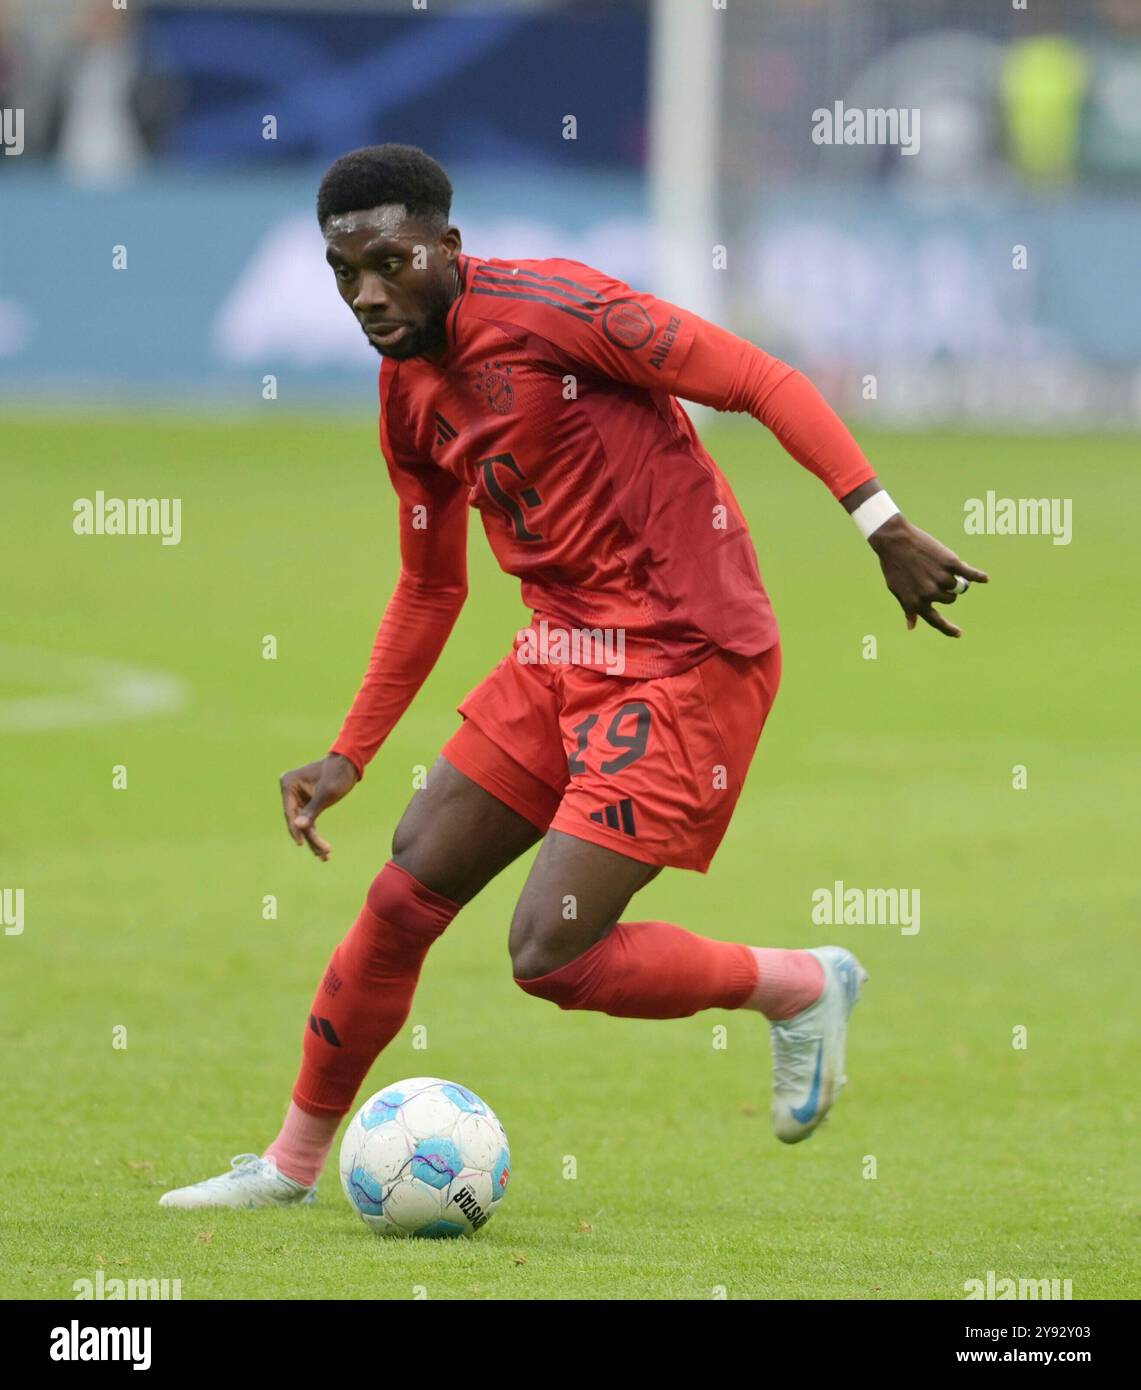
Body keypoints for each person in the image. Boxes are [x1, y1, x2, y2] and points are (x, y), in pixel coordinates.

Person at [160, 144, 987, 1210]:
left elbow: (758, 378)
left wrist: (879, 523)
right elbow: (429, 588)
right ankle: (288, 1166)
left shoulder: (562, 313)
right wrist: (349, 751)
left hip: (687, 655)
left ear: (446, 249)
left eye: (390, 262)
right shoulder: (405, 391)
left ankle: (797, 982)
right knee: (406, 885)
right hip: (562, 650)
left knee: (551, 953)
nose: (367, 295)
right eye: (342, 272)